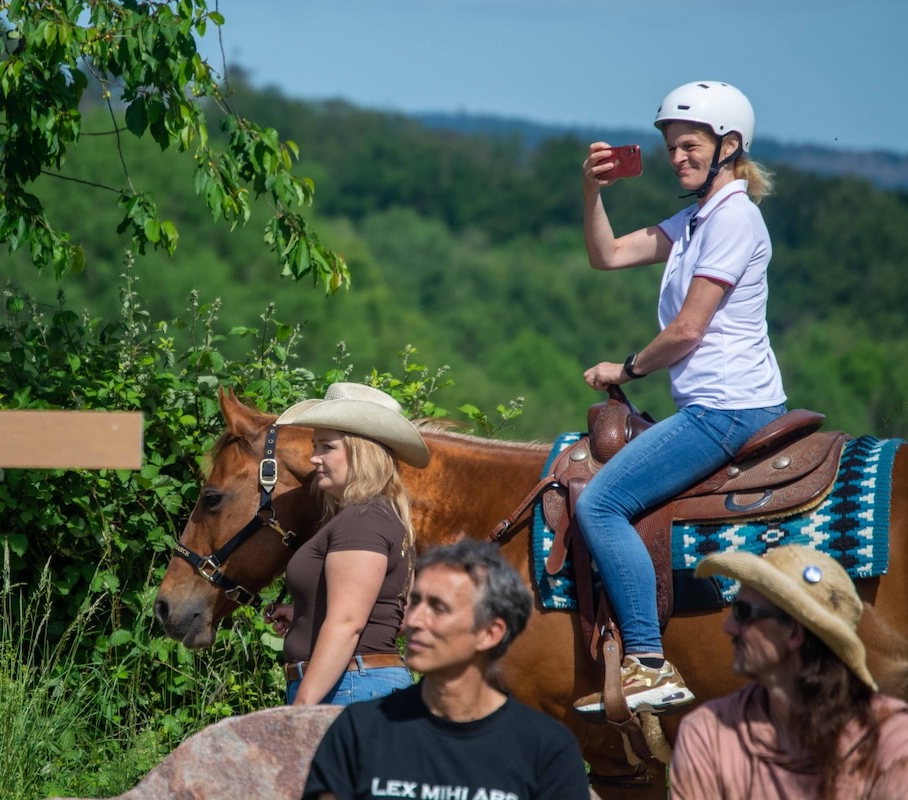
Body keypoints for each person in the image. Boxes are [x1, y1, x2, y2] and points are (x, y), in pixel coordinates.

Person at [572, 80, 788, 718]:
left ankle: (647, 660)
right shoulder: (696, 220)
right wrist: (592, 190)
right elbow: (607, 255)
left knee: (603, 503)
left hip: (725, 407)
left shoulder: (734, 218)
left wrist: (627, 366)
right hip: (715, 402)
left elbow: (690, 328)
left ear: (730, 145)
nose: (677, 158)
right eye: (670, 147)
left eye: (689, 145)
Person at [302, 539, 589, 800]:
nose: (414, 620)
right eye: (414, 603)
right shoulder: (358, 730)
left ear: (490, 633)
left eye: (438, 608)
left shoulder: (546, 749)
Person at [669, 545, 908, 798]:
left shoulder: (890, 741)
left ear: (793, 633)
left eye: (742, 613)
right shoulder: (705, 732)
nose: (728, 627)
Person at [266, 382, 429, 706]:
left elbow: (347, 624)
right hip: (357, 683)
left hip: (348, 688)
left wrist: (302, 707)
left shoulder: (362, 521)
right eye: (315, 445)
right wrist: (306, 615)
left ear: (361, 451)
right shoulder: (377, 516)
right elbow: (388, 615)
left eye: (326, 446)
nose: (313, 458)